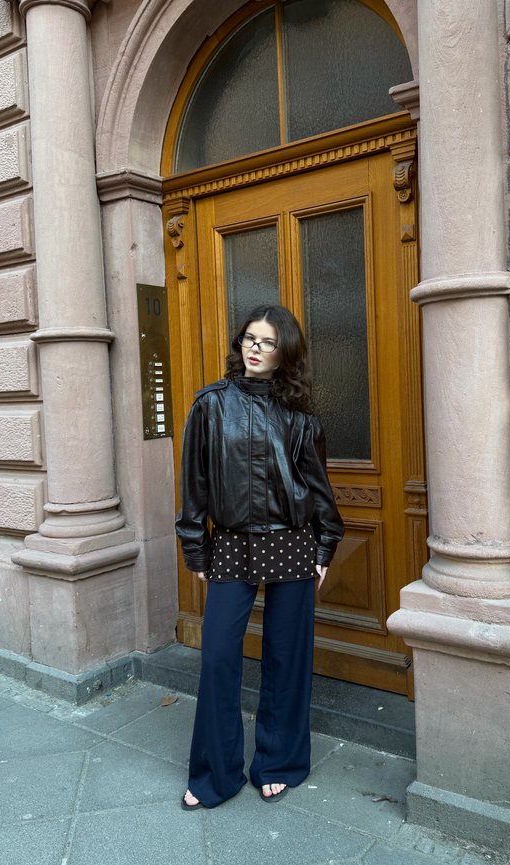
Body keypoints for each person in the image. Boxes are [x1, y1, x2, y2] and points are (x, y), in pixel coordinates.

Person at [175, 303, 344, 809]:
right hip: (230, 542)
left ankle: (278, 763)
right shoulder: (210, 405)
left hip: (292, 542)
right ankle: (216, 773)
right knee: (218, 658)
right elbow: (195, 482)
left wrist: (325, 544)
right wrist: (195, 546)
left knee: (287, 658)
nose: (256, 348)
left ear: (284, 352)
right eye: (250, 338)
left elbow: (318, 485)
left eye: (268, 342)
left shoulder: (300, 415)